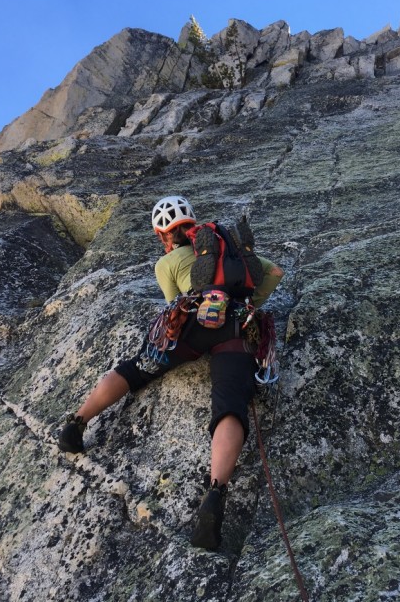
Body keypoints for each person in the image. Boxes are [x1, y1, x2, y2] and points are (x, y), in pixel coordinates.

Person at [57, 195, 283, 550]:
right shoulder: (230, 253)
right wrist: (247, 306)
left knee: (135, 369)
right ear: (194, 225)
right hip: (236, 328)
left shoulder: (167, 262)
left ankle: (75, 425)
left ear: (162, 235)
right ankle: (215, 493)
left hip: (192, 329)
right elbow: (274, 273)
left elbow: (174, 305)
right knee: (230, 404)